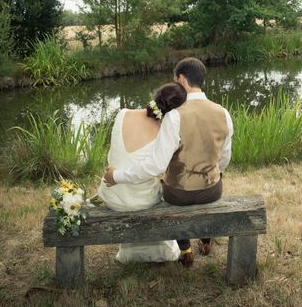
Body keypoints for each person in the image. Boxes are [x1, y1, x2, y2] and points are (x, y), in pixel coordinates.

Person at [103, 57, 233, 267]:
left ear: (181, 79)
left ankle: (186, 249)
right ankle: (206, 239)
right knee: (206, 186)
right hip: (212, 190)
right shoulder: (223, 113)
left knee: (168, 188)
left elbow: (156, 165)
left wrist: (116, 176)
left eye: (174, 78)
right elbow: (224, 157)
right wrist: (215, 175)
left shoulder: (174, 117)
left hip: (179, 194)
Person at [97, 82, 187, 264]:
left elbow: (113, 153)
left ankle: (132, 252)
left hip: (113, 196)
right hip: (142, 201)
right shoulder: (166, 133)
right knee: (165, 190)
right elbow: (160, 167)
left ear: (156, 96)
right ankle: (162, 250)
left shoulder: (122, 114)